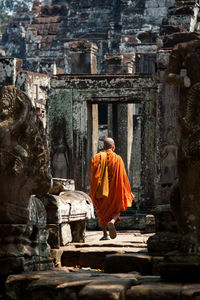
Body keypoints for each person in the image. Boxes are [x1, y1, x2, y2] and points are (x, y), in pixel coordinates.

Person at [89, 137, 134, 240]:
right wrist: (124, 190)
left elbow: (94, 175)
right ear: (113, 147)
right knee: (115, 210)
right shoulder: (118, 159)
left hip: (101, 191)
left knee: (101, 212)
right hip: (114, 191)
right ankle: (112, 222)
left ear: (104, 147)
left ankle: (105, 235)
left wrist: (94, 189)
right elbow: (123, 177)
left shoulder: (98, 157)